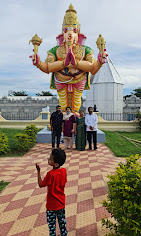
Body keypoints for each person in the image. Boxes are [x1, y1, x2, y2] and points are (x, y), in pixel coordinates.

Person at [30, 4, 108, 114]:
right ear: (63, 33)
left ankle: (75, 115)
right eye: (66, 31)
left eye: (74, 31)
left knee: (76, 102)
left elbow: (92, 68)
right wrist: (39, 63)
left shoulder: (86, 50)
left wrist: (99, 62)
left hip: (79, 79)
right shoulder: (55, 50)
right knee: (63, 102)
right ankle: (64, 115)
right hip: (60, 79)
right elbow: (48, 68)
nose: (70, 35)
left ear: (78, 34)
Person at [36, 148, 67, 236]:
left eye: (50, 159)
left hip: (51, 206)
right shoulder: (64, 171)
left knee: (52, 228)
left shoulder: (50, 174)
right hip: (61, 203)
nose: (48, 160)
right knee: (62, 225)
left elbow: (40, 184)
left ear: (56, 164)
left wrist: (38, 172)